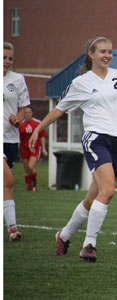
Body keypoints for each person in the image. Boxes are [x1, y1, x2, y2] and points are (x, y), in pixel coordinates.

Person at [29, 37, 117, 262]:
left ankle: (63, 236)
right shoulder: (81, 82)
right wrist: (38, 129)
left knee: (93, 197)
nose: (107, 55)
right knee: (109, 190)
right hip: (96, 139)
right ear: (91, 54)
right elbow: (59, 110)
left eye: (110, 52)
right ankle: (89, 244)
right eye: (103, 51)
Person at [3, 41, 29, 241]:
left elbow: (22, 108)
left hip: (11, 139)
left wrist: (17, 118)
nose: (7, 61)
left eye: (10, 58)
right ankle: (13, 229)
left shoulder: (18, 79)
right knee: (8, 180)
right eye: (3, 57)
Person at [20, 107, 48, 191]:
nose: (27, 114)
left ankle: (35, 184)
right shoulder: (21, 124)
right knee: (27, 170)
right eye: (25, 113)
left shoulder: (37, 123)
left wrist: (43, 149)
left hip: (35, 147)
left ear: (32, 113)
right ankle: (29, 187)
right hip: (24, 148)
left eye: (29, 112)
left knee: (30, 166)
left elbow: (42, 136)